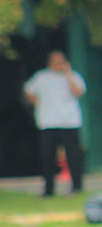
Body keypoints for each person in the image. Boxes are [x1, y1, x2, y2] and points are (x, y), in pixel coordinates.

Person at [24, 50, 87, 196]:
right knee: (47, 156)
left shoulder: (74, 76)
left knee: (73, 155)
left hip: (69, 121)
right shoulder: (41, 78)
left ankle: (76, 186)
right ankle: (49, 189)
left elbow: (78, 92)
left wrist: (68, 75)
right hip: (48, 122)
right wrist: (37, 103)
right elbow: (28, 91)